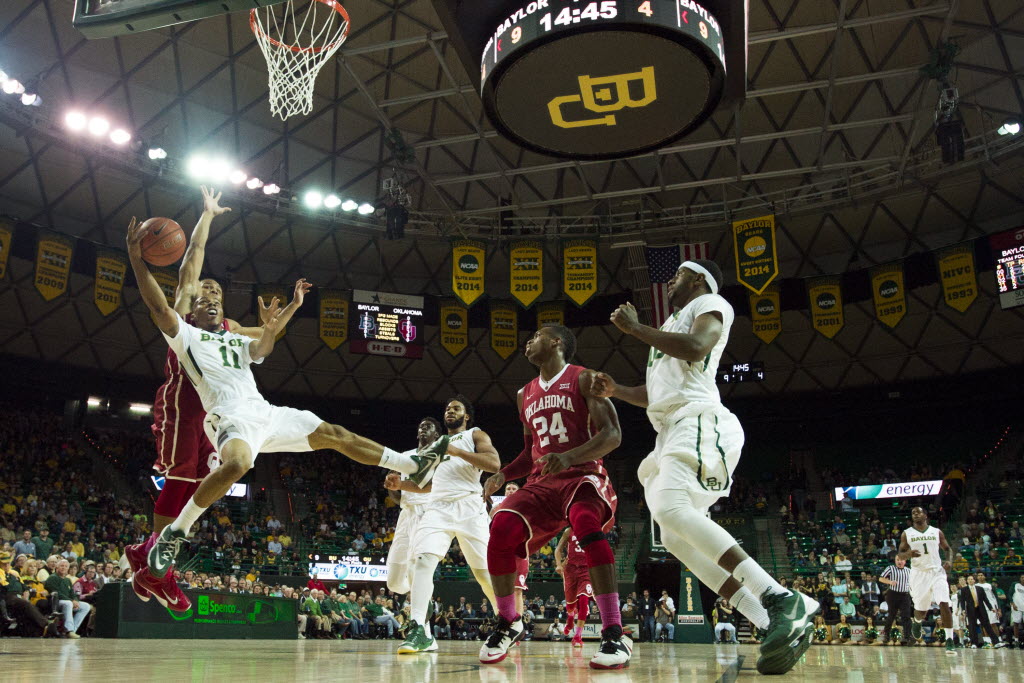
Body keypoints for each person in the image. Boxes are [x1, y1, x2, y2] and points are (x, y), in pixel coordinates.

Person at [125, 218, 449, 593]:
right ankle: (174, 534)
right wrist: (136, 258)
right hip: (228, 417)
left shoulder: (234, 338)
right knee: (240, 464)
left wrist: (276, 323)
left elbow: (263, 347)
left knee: (334, 433)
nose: (212, 300)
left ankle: (411, 463)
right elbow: (157, 304)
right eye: (204, 299)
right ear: (191, 311)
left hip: (266, 414)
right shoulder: (186, 337)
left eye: (217, 298)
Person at [592, 260, 818, 675]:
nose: (670, 282)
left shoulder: (711, 303)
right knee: (675, 537)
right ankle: (768, 620)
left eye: (677, 276)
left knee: (673, 510)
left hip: (699, 420)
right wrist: (618, 390)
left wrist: (635, 328)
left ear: (697, 279)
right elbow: (659, 391)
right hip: (670, 430)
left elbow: (698, 347)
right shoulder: (671, 325)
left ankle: (782, 598)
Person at [123, 187, 284, 611]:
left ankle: (145, 552)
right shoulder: (183, 309)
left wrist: (275, 322)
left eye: (217, 291)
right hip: (181, 403)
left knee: (198, 486)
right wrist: (208, 215)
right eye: (204, 290)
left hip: (216, 412)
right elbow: (193, 252)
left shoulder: (229, 326)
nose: (209, 293)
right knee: (179, 478)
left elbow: (268, 338)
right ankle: (160, 569)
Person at [481, 325, 628, 669]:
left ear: (557, 342)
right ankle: (509, 621)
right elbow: (531, 450)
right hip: (542, 482)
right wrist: (505, 472)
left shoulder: (583, 378)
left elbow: (613, 435)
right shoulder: (524, 394)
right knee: (501, 525)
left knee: (586, 524)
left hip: (583, 474)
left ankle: (613, 632)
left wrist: (569, 457)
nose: (528, 341)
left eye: (536, 336)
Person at [388, 396, 500, 654]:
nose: (450, 411)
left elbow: (494, 464)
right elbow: (428, 484)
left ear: (466, 415)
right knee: (422, 561)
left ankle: (506, 618)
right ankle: (418, 630)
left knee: (484, 574)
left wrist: (457, 451)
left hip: (469, 507)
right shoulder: (436, 445)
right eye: (447, 408)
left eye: (456, 408)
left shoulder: (475, 434)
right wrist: (400, 485)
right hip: (437, 507)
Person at [383, 417, 443, 598]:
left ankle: (422, 616)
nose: (423, 429)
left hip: (426, 513)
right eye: (421, 426)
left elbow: (434, 486)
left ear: (437, 435)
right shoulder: (405, 456)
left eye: (428, 427)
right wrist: (391, 486)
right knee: (393, 582)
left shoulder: (440, 458)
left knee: (415, 569)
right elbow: (398, 496)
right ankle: (423, 595)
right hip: (406, 513)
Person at [899, 506, 956, 655]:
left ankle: (950, 639)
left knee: (944, 602)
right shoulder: (907, 534)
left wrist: (949, 561)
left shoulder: (936, 532)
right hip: (918, 574)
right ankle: (917, 622)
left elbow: (947, 548)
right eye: (913, 513)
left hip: (937, 572)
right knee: (921, 610)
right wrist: (908, 554)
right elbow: (900, 554)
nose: (915, 514)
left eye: (918, 512)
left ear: (925, 515)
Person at [554, 527, 592, 648]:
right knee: (570, 605)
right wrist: (559, 564)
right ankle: (570, 617)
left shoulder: (592, 529)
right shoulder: (568, 531)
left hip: (586, 570)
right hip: (570, 569)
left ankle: (577, 636)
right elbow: (558, 549)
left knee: (584, 600)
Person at [44, 559, 91, 638]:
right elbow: (57, 593)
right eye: (62, 566)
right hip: (56, 602)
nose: (63, 568)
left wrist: (75, 600)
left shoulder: (67, 580)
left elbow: (72, 593)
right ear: (57, 567)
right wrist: (71, 601)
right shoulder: (52, 578)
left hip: (68, 601)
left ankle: (73, 630)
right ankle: (69, 630)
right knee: (68, 603)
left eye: (66, 566)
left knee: (86, 606)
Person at [878, 555, 912, 645]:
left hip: (905, 595)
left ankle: (907, 637)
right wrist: (890, 582)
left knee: (906, 616)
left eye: (901, 560)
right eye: (897, 560)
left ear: (905, 561)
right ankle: (886, 635)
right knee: (891, 615)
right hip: (893, 594)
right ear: (895, 561)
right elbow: (881, 578)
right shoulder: (890, 568)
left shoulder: (909, 571)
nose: (899, 562)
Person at [960, 575, 1002, 648]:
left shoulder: (980, 589)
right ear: (967, 581)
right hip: (971, 610)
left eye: (971, 579)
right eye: (969, 579)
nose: (970, 580)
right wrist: (963, 610)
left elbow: (985, 599)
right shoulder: (964, 590)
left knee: (987, 625)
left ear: (974, 581)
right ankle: (974, 643)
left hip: (981, 609)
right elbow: (962, 601)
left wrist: (990, 608)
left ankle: (996, 642)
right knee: (972, 627)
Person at [974, 571, 1004, 646]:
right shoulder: (975, 586)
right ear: (977, 577)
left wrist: (999, 609)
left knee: (993, 624)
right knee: (983, 625)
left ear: (984, 576)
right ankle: (987, 641)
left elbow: (996, 597)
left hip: (991, 607)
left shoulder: (989, 585)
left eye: (982, 575)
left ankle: (998, 640)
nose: (980, 576)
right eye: (979, 575)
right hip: (981, 607)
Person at [1010, 574, 1024, 647]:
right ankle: (1016, 641)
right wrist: (1012, 604)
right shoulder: (1015, 585)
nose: (1023, 579)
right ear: (1020, 578)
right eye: (1022, 577)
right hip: (1017, 606)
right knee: (1016, 623)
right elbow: (1010, 594)